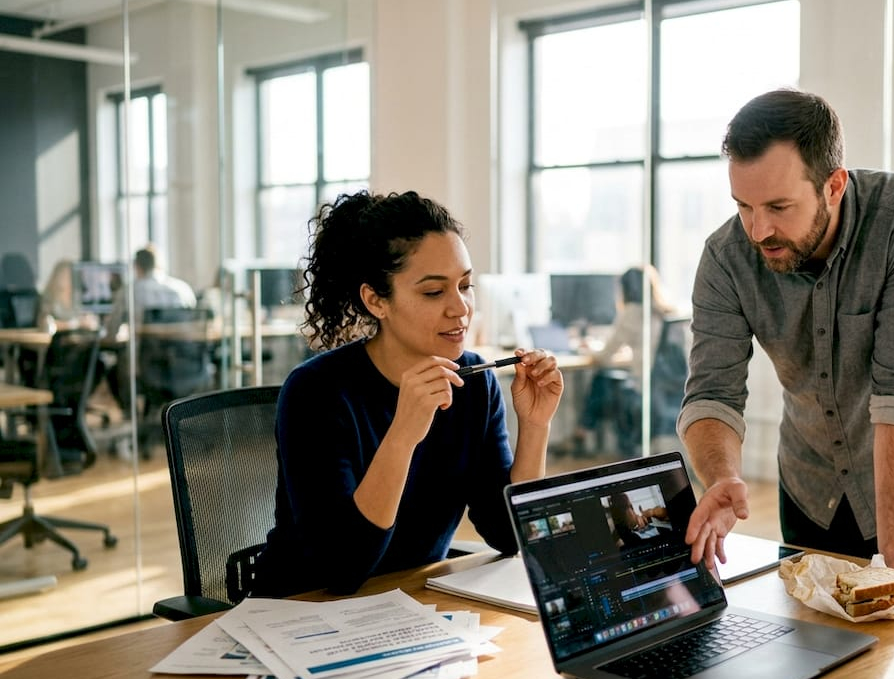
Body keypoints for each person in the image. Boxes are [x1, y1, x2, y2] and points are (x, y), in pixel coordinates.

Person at [680, 88, 894, 581]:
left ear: (834, 186)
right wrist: (722, 476)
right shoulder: (726, 257)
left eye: (778, 206)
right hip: (813, 490)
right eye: (744, 206)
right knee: (812, 647)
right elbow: (711, 395)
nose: (758, 230)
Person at [252, 191, 564, 597]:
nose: (461, 308)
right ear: (376, 300)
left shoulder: (473, 383)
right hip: (305, 610)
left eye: (465, 285)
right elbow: (342, 568)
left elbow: (509, 535)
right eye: (434, 292)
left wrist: (536, 426)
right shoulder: (316, 391)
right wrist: (402, 435)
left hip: (411, 604)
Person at [572, 265, 676, 455]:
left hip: (644, 390)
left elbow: (604, 357)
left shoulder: (633, 313)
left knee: (601, 378)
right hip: (669, 391)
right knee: (605, 379)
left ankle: (582, 432)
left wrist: (587, 348)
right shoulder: (666, 311)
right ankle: (583, 432)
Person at [102, 245, 197, 337]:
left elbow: (112, 329)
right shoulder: (183, 289)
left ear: (136, 266)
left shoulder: (129, 292)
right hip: (182, 351)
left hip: (144, 352)